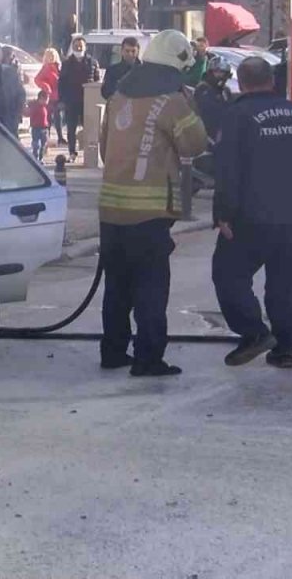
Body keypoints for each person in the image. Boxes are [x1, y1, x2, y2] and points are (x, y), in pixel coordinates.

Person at [98, 30, 208, 377]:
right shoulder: (172, 102)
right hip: (148, 216)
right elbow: (195, 145)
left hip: (111, 210)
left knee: (117, 287)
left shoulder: (117, 97)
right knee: (150, 288)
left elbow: (104, 149)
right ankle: (147, 358)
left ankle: (113, 352)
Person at [212, 57, 292, 369]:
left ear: (241, 83)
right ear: (272, 80)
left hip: (251, 217)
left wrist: (223, 213)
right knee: (287, 282)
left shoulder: (236, 116)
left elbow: (227, 169)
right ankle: (284, 349)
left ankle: (255, 332)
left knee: (229, 274)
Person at [57, 35, 100, 162]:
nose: (79, 47)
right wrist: (61, 100)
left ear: (85, 47)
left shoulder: (92, 62)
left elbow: (97, 81)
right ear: (73, 47)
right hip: (71, 101)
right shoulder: (66, 63)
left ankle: (89, 152)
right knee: (71, 128)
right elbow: (61, 83)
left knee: (90, 128)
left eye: (81, 45)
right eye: (76, 46)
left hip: (88, 101)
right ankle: (72, 152)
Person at [192, 53, 234, 142]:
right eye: (216, 71)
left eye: (222, 72)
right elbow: (209, 114)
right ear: (210, 72)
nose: (219, 75)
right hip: (206, 137)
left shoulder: (226, 91)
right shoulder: (203, 89)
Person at [33, 49, 61, 146]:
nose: (51, 57)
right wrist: (46, 86)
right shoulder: (46, 68)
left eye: (52, 55)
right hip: (49, 96)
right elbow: (37, 79)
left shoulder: (58, 67)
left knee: (58, 117)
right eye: (49, 55)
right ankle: (46, 137)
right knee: (47, 117)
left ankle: (60, 137)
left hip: (58, 96)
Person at [101, 36, 141, 101]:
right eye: (127, 51)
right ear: (122, 51)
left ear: (138, 51)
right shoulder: (112, 70)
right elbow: (105, 92)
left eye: (133, 51)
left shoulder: (144, 71)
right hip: (118, 107)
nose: (130, 54)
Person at [28, 90, 51, 161]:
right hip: (36, 128)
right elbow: (31, 115)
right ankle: (36, 157)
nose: (47, 101)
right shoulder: (35, 107)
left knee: (43, 144)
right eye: (46, 100)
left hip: (44, 128)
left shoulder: (44, 107)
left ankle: (41, 158)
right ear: (41, 98)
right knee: (36, 144)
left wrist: (47, 124)